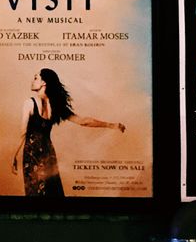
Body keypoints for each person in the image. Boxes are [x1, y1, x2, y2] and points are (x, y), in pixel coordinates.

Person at [10, 69, 125, 198]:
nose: (32, 81)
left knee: (35, 191)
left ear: (43, 83)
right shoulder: (56, 106)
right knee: (52, 191)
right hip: (48, 153)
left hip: (33, 154)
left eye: (36, 78)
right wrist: (111, 125)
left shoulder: (29, 103)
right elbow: (83, 122)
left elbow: (23, 133)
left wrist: (14, 155)